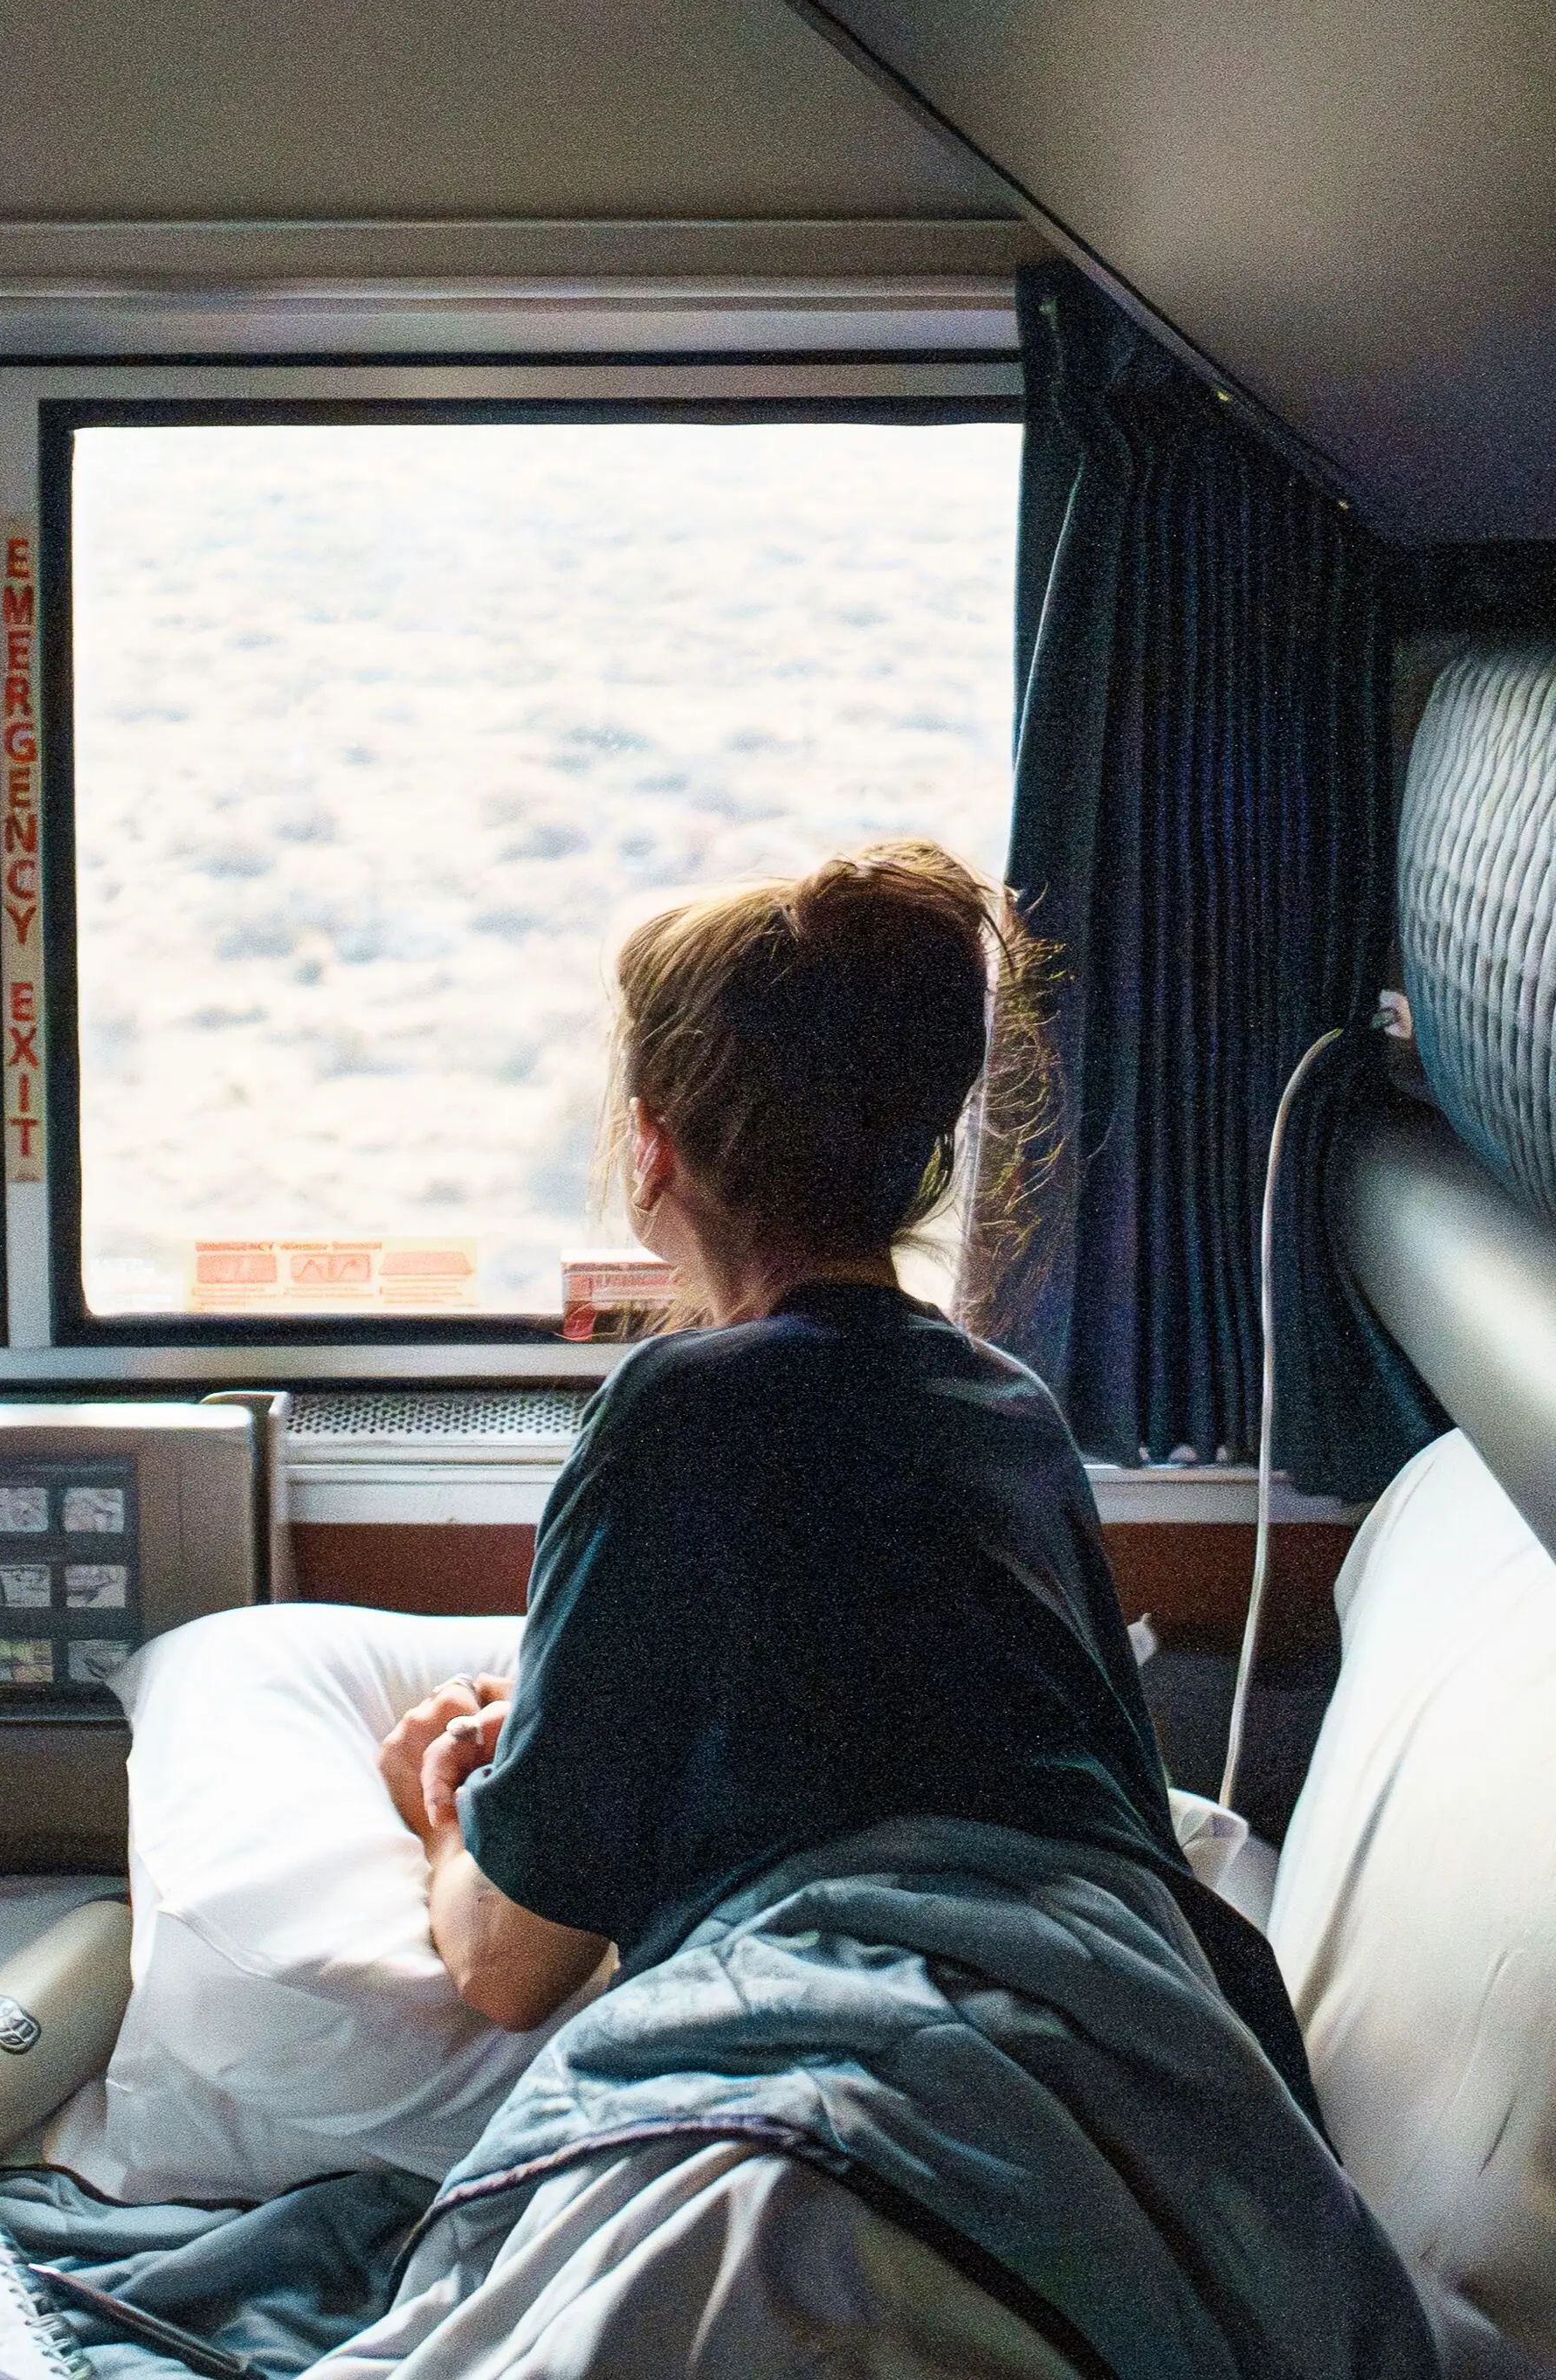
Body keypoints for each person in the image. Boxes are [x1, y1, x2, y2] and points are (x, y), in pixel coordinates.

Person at [373, 842, 1312, 2094]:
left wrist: (444, 1811)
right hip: (1140, 2051)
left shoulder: (679, 1412)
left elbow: (511, 1971)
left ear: (654, 1147)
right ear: (917, 1149)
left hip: (867, 2059)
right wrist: (561, 1742)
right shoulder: (1012, 1412)